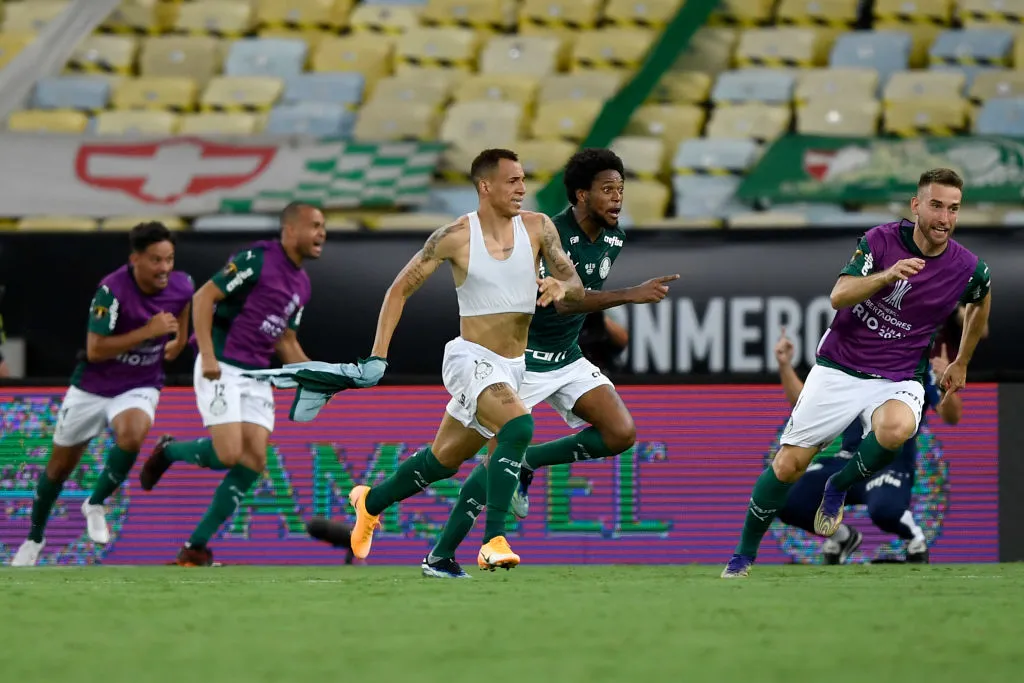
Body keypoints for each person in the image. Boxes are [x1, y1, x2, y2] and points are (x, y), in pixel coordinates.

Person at [417, 148, 679, 578]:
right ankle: (440, 556)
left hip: (568, 358)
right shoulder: (543, 234)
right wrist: (632, 294)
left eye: (621, 190)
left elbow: (579, 298)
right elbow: (561, 304)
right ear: (580, 194)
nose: (617, 198)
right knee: (487, 467)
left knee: (620, 432)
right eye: (607, 190)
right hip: (522, 361)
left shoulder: (615, 238)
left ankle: (531, 461)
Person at [722, 168, 991, 578]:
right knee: (787, 467)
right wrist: (886, 275)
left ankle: (839, 486)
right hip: (840, 367)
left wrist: (963, 360)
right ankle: (742, 557)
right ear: (916, 205)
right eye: (936, 205)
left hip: (898, 376)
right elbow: (838, 295)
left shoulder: (967, 267)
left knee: (898, 427)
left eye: (953, 209)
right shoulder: (879, 240)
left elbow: (981, 298)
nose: (944, 218)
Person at [345, 148, 585, 572]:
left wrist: (563, 287)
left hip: (512, 366)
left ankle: (372, 503)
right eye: (512, 180)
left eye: (523, 179)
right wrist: (378, 355)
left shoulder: (538, 227)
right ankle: (493, 539)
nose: (522, 188)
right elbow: (398, 290)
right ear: (485, 186)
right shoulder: (454, 236)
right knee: (519, 426)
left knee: (443, 461)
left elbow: (570, 275)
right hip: (470, 357)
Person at [138, 202, 324, 567]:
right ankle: (169, 451)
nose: (322, 233)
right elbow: (203, 296)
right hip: (221, 364)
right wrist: (206, 354)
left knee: (253, 461)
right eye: (315, 226)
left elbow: (285, 341)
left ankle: (195, 547)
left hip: (256, 376)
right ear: (290, 230)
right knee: (227, 454)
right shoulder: (257, 259)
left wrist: (319, 379)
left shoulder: (302, 284)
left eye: (324, 226)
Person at [11, 222, 193, 566]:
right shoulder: (111, 291)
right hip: (92, 388)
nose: (165, 268)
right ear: (135, 259)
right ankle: (34, 539)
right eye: (156, 260)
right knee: (58, 469)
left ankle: (95, 502)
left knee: (133, 433)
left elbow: (184, 305)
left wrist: (180, 339)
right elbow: (95, 350)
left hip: (140, 384)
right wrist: (148, 332)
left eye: (169, 259)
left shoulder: (181, 284)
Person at [772, 328, 962, 564]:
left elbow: (952, 415)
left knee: (885, 511)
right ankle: (842, 537)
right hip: (846, 461)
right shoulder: (848, 363)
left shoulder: (916, 366)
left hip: (887, 464)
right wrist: (784, 365)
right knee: (781, 494)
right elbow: (806, 404)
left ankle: (916, 541)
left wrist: (945, 383)